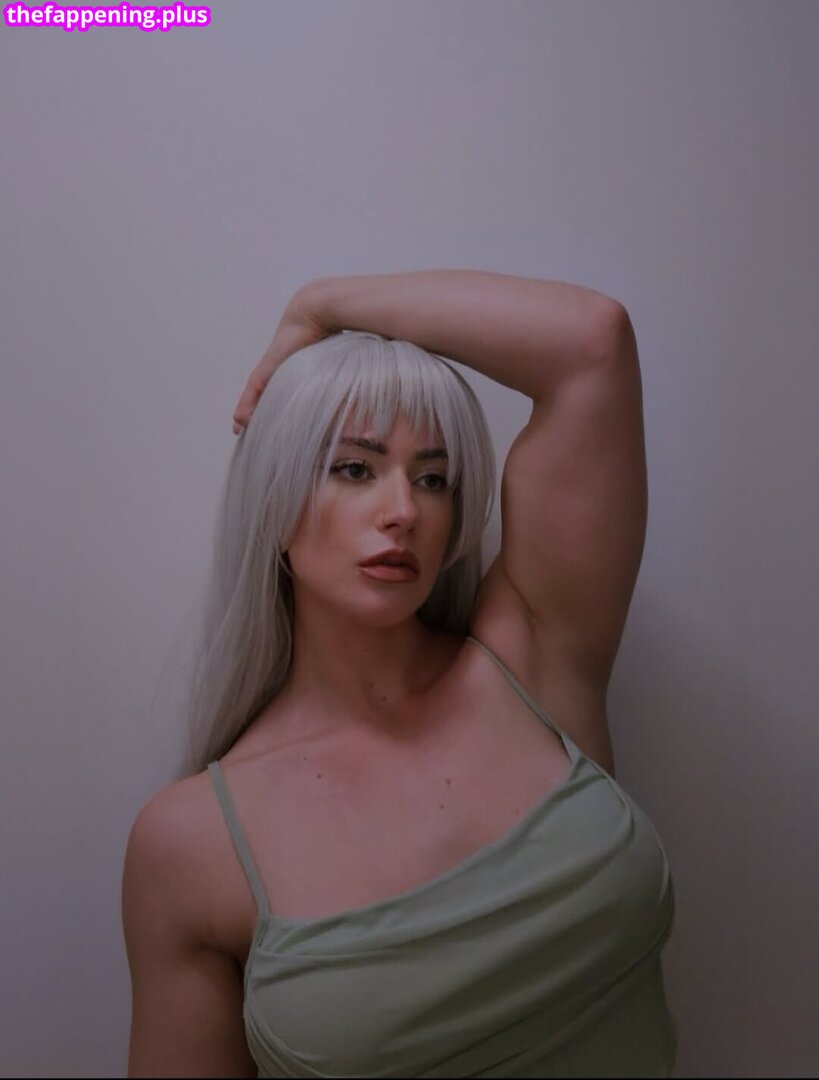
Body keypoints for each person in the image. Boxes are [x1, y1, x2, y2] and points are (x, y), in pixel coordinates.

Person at [121, 269, 677, 1078]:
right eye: (354, 469)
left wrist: (322, 303)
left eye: (432, 478)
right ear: (274, 499)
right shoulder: (193, 843)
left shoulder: (532, 662)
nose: (404, 512)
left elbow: (591, 344)